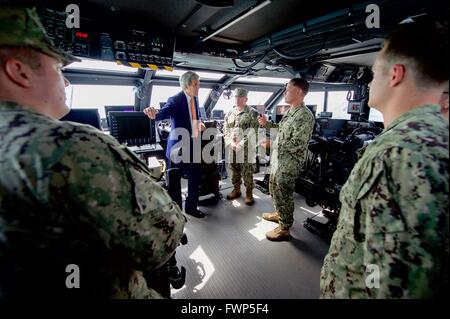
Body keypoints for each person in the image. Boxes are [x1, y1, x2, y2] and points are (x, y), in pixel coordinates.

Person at [0, 6, 186, 298]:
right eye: (59, 69)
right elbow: (159, 241)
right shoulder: (71, 146)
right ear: (18, 70)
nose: (66, 82)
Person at [320, 18, 449, 298]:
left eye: (374, 72)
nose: (370, 81)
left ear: (395, 75)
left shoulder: (399, 152)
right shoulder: (435, 137)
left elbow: (392, 283)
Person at [258, 79, 315, 241]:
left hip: (289, 162)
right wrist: (267, 124)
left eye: (287, 89)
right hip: (278, 159)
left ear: (298, 92)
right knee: (274, 189)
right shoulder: (291, 111)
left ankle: (284, 227)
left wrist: (272, 143)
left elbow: (297, 143)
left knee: (284, 192)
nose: (284, 93)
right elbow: (282, 131)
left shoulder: (304, 115)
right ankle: (279, 213)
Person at [144, 71, 206, 218]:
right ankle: (173, 212)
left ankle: (190, 207)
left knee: (195, 175)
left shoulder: (195, 99)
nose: (199, 87)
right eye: (196, 84)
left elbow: (195, 116)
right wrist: (151, 112)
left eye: (199, 84)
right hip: (177, 149)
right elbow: (161, 113)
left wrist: (199, 123)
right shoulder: (175, 100)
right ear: (186, 86)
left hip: (191, 145)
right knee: (174, 182)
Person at [223, 88, 259, 205]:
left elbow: (253, 132)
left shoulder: (252, 113)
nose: (237, 100)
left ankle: (249, 193)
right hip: (232, 148)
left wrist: (241, 144)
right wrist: (230, 142)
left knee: (247, 171)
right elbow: (225, 129)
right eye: (236, 97)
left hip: (246, 149)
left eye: (240, 98)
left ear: (246, 99)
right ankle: (237, 189)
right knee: (234, 169)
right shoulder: (230, 112)